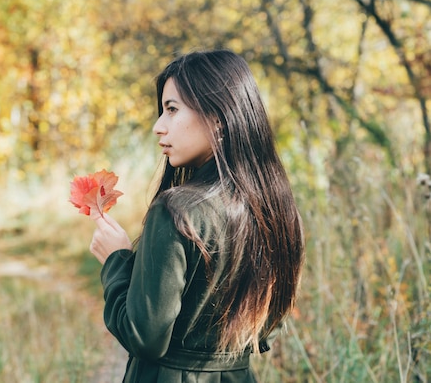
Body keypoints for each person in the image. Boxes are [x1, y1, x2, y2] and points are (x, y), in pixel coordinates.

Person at [88, 50, 305, 382]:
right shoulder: (277, 210)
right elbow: (265, 333)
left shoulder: (177, 212)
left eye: (172, 110)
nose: (158, 127)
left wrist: (116, 260)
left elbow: (144, 337)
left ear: (218, 116)